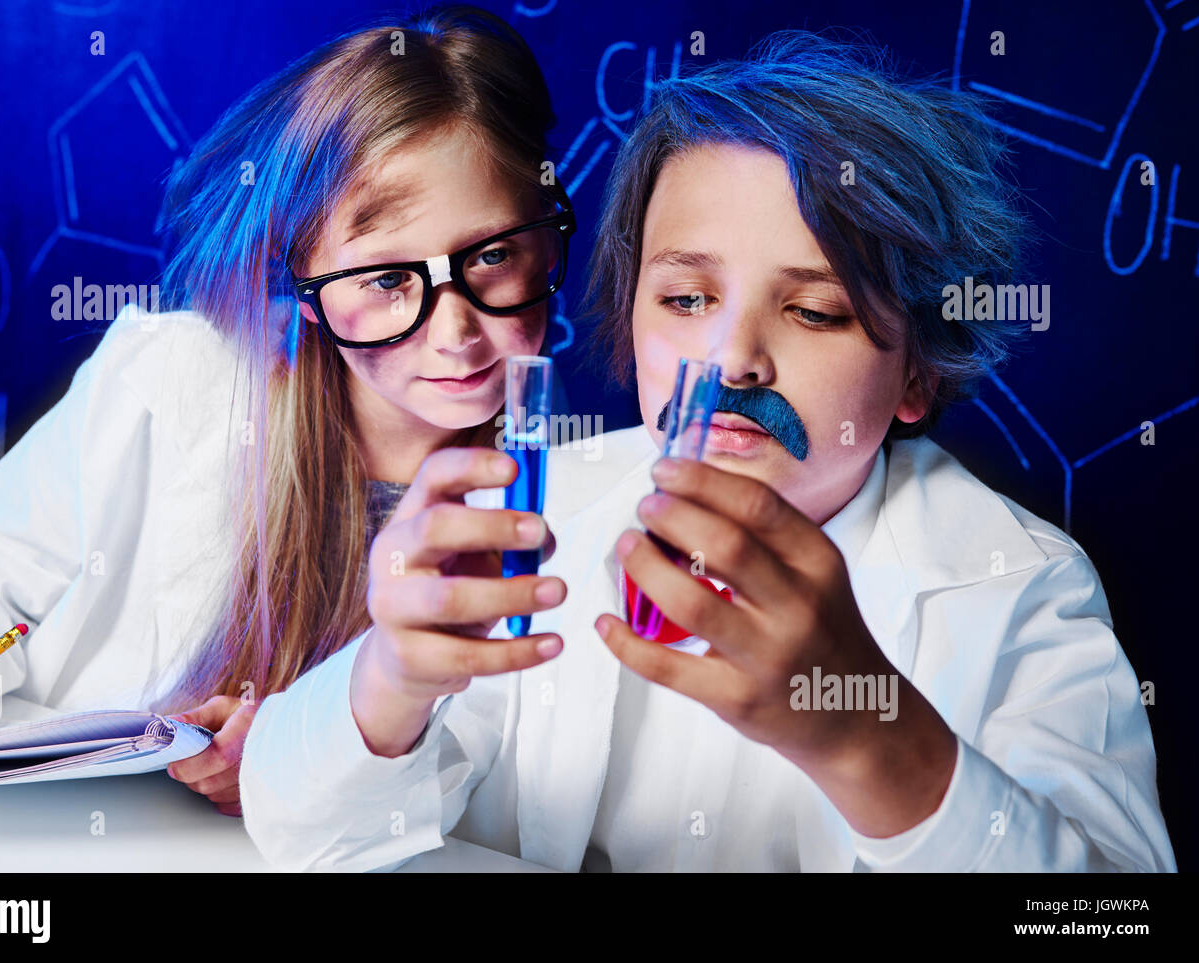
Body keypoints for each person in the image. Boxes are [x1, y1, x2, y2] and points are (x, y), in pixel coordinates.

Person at [239, 31, 1177, 871]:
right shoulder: (531, 517)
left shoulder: (1020, 588)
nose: (733, 360)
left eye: (815, 310)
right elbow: (301, 830)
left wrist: (869, 739)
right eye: (686, 300)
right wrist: (387, 681)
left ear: (918, 376)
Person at [0, 4, 573, 818]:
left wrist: (298, 756)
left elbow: (487, 798)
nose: (457, 330)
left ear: (545, 233)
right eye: (389, 279)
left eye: (494, 256)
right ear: (310, 292)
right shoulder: (176, 377)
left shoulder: (566, 487)